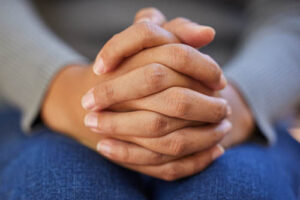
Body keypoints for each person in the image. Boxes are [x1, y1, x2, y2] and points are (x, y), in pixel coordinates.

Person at [0, 0, 300, 199]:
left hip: (238, 92)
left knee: (241, 189)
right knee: (55, 185)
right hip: (36, 95)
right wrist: (65, 91)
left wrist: (234, 102)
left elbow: (289, 14)